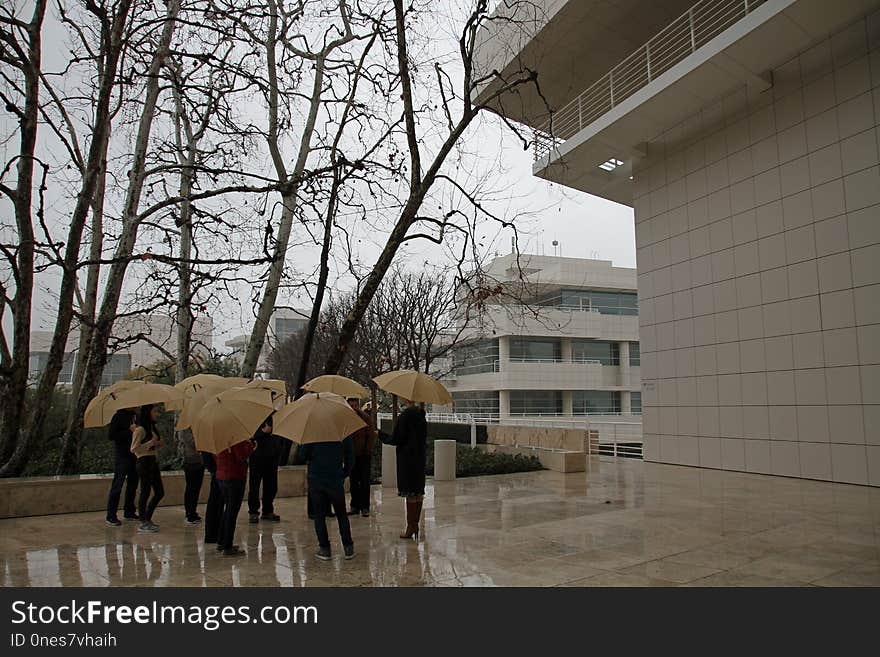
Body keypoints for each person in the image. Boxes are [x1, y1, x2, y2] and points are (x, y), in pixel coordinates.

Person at [293, 436, 355, 561]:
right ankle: (348, 547)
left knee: (319, 515)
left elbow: (301, 456)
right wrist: (344, 472)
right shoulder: (341, 432)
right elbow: (350, 456)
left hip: (316, 478)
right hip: (335, 478)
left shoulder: (312, 433)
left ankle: (325, 549)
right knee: (341, 513)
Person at [383, 399, 427, 540]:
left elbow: (397, 438)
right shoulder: (421, 416)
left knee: (410, 493)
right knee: (418, 492)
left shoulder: (405, 416)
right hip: (419, 458)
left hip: (407, 459)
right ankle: (415, 525)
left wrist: (381, 435)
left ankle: (411, 527)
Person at [129, 404, 165, 533]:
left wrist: (157, 444)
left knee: (159, 492)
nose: (156, 414)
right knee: (145, 491)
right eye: (154, 411)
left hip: (153, 461)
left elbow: (156, 443)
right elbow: (134, 449)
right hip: (144, 461)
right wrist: (150, 443)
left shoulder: (152, 428)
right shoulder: (140, 430)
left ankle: (147, 517)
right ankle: (143, 520)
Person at [215, 439, 254, 556]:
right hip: (234, 476)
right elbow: (241, 455)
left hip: (221, 475)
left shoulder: (218, 437)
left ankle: (222, 541)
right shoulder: (235, 437)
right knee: (232, 512)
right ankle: (227, 545)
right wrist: (251, 446)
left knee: (227, 510)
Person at [105, 407, 139, 526]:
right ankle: (111, 515)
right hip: (122, 455)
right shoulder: (118, 416)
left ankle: (129, 511)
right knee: (118, 484)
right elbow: (111, 435)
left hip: (134, 454)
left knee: (133, 483)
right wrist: (129, 431)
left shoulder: (135, 417)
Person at [248, 416, 281, 523]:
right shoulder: (252, 416)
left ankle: (267, 510)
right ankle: (253, 511)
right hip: (257, 457)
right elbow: (248, 435)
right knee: (254, 486)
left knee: (271, 486)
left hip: (272, 457)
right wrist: (262, 432)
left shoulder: (274, 415)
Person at [346, 398, 376, 517]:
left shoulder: (365, 418)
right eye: (351, 405)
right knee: (353, 482)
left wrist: (367, 450)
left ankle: (365, 507)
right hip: (352, 455)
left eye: (354, 405)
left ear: (358, 406)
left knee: (364, 482)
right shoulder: (346, 419)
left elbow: (371, 435)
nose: (353, 408)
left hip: (364, 455)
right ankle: (354, 506)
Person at [202, 451, 223, 545]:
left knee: (217, 502)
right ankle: (213, 534)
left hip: (217, 468)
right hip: (217, 468)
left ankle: (215, 533)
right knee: (215, 502)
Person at [182, 439, 204, 526]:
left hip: (199, 460)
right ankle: (189, 513)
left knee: (197, 488)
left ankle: (193, 511)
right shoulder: (184, 429)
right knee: (191, 487)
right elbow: (189, 442)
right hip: (189, 460)